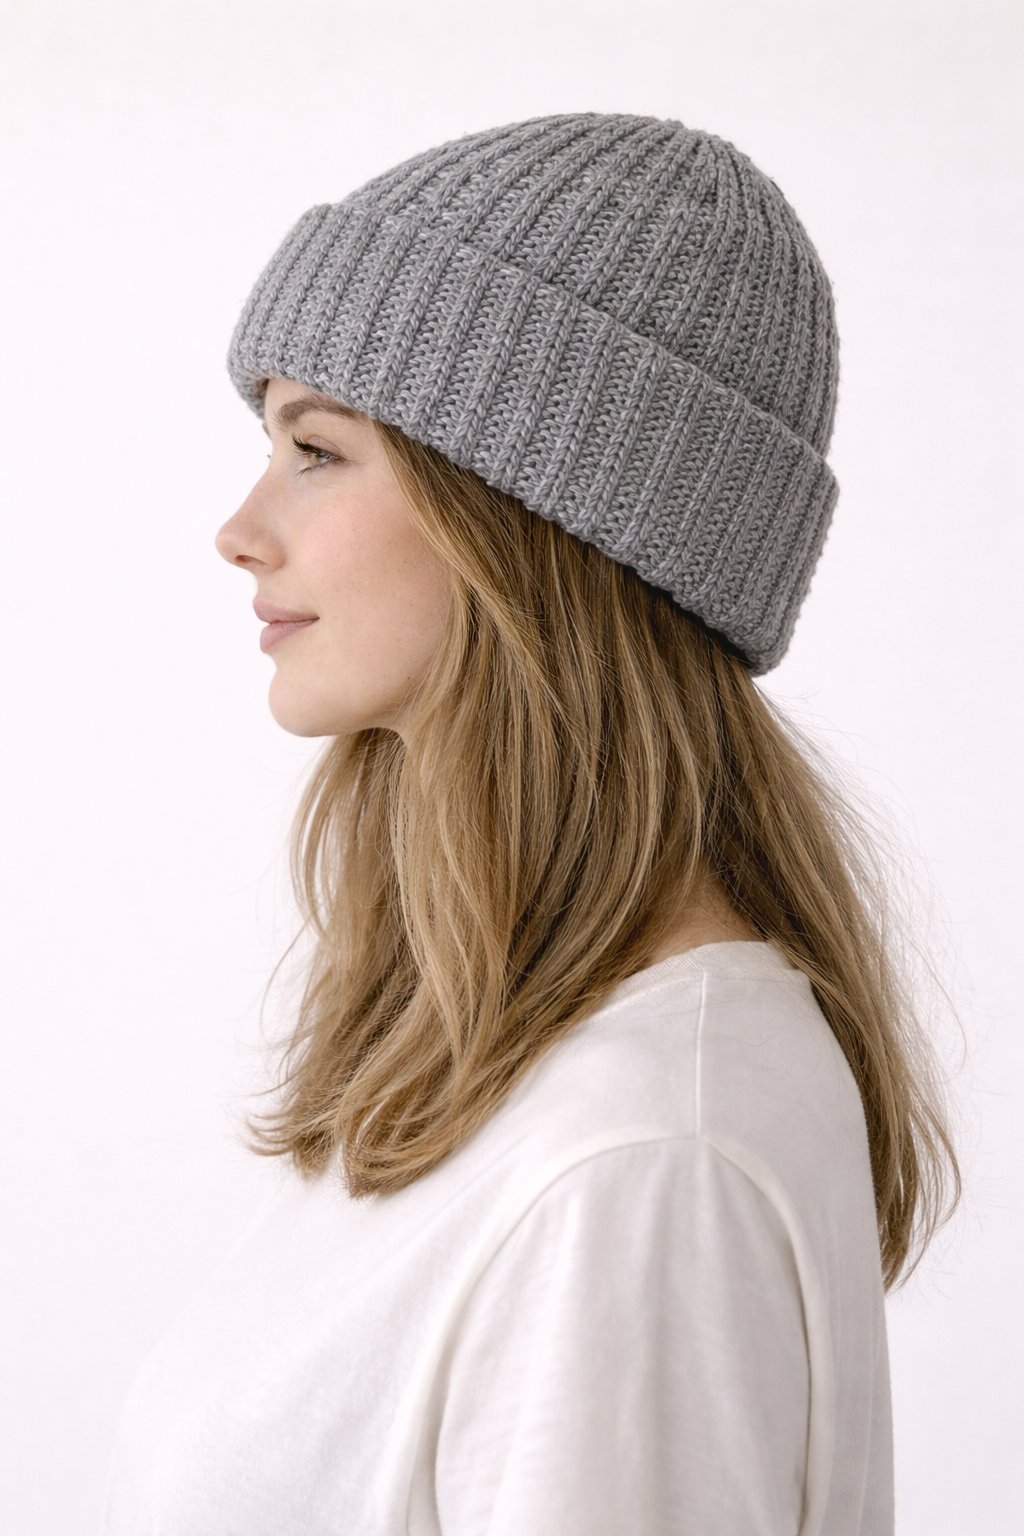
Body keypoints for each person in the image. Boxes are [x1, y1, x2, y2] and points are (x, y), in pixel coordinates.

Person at [102, 113, 956, 1535]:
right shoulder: (532, 1069)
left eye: (316, 448)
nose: (241, 528)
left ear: (535, 516)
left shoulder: (639, 1161)